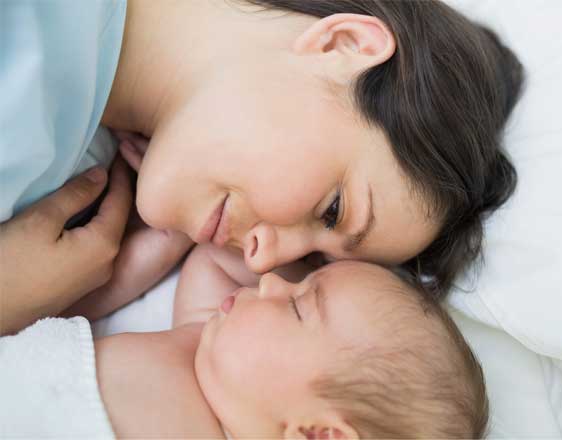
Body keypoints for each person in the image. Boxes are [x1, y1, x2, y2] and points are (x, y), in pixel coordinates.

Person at [0, 0, 524, 334]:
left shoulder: (60, 209)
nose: (261, 260)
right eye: (333, 210)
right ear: (342, 45)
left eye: (312, 258)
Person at [93, 249, 489, 438]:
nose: (270, 282)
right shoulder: (203, 343)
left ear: (319, 435)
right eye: (297, 283)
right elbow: (212, 260)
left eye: (297, 306)